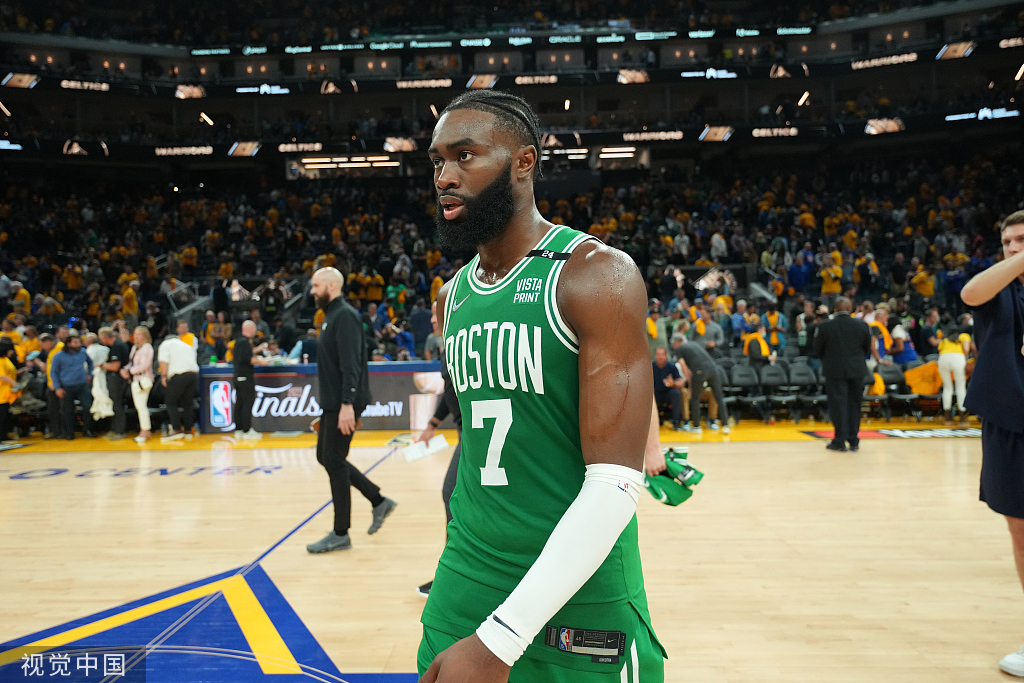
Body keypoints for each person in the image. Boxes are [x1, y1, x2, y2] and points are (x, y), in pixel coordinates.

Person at [419, 91, 664, 683]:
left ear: (524, 162)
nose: (445, 177)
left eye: (465, 155)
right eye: (437, 161)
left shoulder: (596, 275)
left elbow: (615, 483)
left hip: (576, 589)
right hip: (465, 576)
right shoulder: (452, 297)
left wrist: (501, 638)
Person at [960, 210, 1024, 677]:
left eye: (1022, 240)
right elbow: (969, 293)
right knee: (1021, 533)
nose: (1014, 248)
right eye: (1008, 243)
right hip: (1009, 423)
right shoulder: (998, 291)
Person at [306, 267, 397, 554]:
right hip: (333, 403)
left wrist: (347, 404)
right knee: (326, 457)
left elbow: (351, 365)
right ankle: (378, 501)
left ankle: (341, 533)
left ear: (331, 285)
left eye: (316, 285)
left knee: (333, 460)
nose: (312, 291)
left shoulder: (344, 315)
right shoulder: (329, 316)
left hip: (344, 403)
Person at [414, 303, 463, 598]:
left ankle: (451, 576)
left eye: (437, 312)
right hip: (466, 434)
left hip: (475, 434)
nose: (432, 319)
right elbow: (450, 391)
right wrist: (432, 424)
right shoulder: (449, 347)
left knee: (451, 494)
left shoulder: (462, 344)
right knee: (457, 499)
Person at [813, 297, 871, 452]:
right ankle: (854, 440)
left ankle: (839, 441)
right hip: (857, 369)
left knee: (838, 405)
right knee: (855, 404)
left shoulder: (825, 326)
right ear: (850, 308)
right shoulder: (862, 325)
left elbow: (818, 349)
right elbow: (867, 348)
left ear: (835, 309)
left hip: (835, 369)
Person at [675, 335, 730, 435]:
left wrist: (690, 382)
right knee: (719, 397)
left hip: (700, 370)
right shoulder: (695, 344)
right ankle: (726, 426)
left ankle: (696, 426)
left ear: (676, 343)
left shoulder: (679, 348)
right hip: (714, 369)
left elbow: (682, 365)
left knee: (695, 398)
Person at [50, 330, 95, 440]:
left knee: (88, 406)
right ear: (68, 344)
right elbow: (53, 372)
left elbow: (90, 363)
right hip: (66, 386)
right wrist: (57, 387)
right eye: (75, 342)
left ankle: (87, 430)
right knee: (67, 410)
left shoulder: (83, 352)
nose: (78, 344)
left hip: (82, 385)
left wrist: (90, 374)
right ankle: (69, 433)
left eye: (79, 342)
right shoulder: (58, 356)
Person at [157, 332, 200, 441]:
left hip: (179, 374)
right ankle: (188, 430)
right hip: (193, 374)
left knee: (170, 402)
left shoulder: (166, 344)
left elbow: (163, 362)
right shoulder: (186, 345)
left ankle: (176, 429)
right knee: (188, 403)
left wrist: (163, 376)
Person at [234, 320, 268, 440]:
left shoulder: (240, 341)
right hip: (245, 376)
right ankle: (247, 430)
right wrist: (261, 362)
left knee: (240, 403)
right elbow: (246, 359)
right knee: (247, 402)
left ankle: (239, 429)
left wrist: (258, 349)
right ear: (250, 329)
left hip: (238, 376)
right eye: (254, 329)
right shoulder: (244, 342)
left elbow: (245, 354)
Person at [98, 326, 131, 440]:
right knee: (114, 404)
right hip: (115, 379)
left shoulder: (117, 346)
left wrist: (102, 365)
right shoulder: (115, 346)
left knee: (117, 404)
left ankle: (120, 431)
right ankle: (114, 429)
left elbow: (115, 366)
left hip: (117, 379)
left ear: (104, 337)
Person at [937, 323, 972, 427]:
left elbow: (939, 350)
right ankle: (962, 418)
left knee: (947, 387)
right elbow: (966, 349)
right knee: (960, 388)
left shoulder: (945, 339)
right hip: (958, 358)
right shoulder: (964, 336)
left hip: (943, 358)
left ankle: (947, 418)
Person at [123, 326, 154, 443]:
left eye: (139, 335)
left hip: (143, 379)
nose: (136, 337)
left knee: (141, 407)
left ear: (145, 336)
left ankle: (145, 431)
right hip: (134, 380)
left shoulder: (147, 348)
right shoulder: (134, 348)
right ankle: (145, 430)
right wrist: (125, 369)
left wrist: (130, 371)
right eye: (135, 335)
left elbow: (145, 365)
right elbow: (131, 363)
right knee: (139, 407)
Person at [652, 346, 684, 431]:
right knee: (647, 395)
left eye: (662, 354)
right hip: (655, 393)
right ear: (655, 356)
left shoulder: (672, 366)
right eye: (658, 354)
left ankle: (676, 422)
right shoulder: (650, 366)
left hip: (668, 392)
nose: (660, 357)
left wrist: (673, 383)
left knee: (676, 393)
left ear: (666, 356)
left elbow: (681, 382)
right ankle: (651, 423)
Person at [0, 338, 19, 444]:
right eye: (10, 350)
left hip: (7, 393)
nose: (12, 352)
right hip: (1, 392)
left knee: (5, 415)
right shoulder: (0, 360)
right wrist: (15, 383)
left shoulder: (5, 359)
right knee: (2, 416)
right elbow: (1, 375)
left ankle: (4, 434)